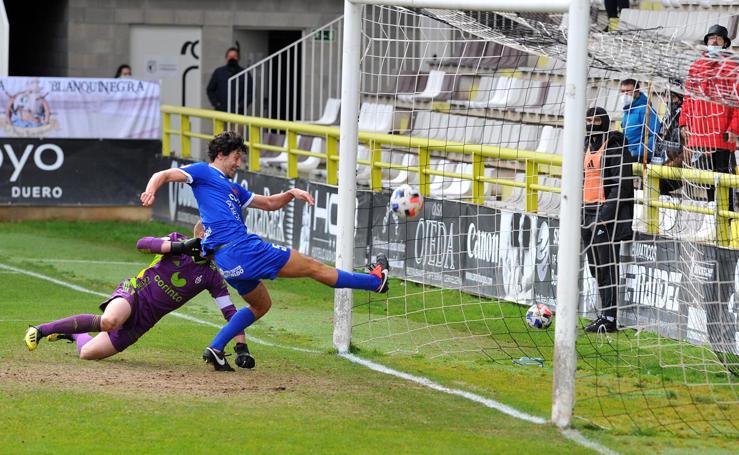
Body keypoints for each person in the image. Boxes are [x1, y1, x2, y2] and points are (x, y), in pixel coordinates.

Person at [140, 131, 390, 371]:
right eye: (236, 157)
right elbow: (163, 174)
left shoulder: (233, 189)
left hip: (228, 262)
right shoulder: (203, 172)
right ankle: (375, 281)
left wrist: (291, 193)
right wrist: (152, 189)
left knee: (261, 305)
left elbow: (269, 203)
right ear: (220, 154)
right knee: (314, 267)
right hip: (243, 249)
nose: (239, 163)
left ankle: (216, 348)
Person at [23, 225, 256, 370]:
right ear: (203, 236)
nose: (225, 247)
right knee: (109, 321)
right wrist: (178, 246)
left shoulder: (212, 276)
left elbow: (230, 313)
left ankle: (74, 333)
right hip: (134, 293)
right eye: (222, 241)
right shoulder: (176, 240)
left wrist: (241, 348)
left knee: (87, 353)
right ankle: (40, 330)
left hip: (145, 321)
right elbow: (142, 244)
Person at [582, 107, 634, 333]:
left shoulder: (615, 148)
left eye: (594, 121)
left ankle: (610, 317)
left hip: (604, 215)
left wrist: (604, 216)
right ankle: (604, 313)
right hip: (586, 211)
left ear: (602, 122)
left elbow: (622, 186)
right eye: (587, 120)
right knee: (595, 267)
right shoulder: (584, 146)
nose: (590, 124)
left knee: (607, 267)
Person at [680, 24, 739, 205]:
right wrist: (684, 123)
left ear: (724, 43)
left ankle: (726, 220)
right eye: (711, 38)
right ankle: (712, 217)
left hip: (722, 135)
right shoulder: (696, 66)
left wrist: (734, 128)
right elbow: (688, 98)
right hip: (700, 133)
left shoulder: (732, 67)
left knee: (723, 179)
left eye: (718, 39)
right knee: (707, 179)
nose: (714, 41)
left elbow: (737, 101)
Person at [620, 78, 661, 164]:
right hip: (627, 155)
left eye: (628, 91)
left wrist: (638, 153)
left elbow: (654, 135)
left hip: (641, 158)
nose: (625, 94)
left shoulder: (645, 110)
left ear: (637, 92)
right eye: (623, 91)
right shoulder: (627, 111)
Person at [206, 47, 253, 114]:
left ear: (238, 58)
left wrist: (240, 106)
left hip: (238, 114)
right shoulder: (218, 72)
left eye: (234, 56)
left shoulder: (245, 73)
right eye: (230, 56)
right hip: (220, 113)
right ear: (226, 58)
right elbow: (210, 90)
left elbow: (250, 93)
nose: (232, 58)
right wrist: (217, 104)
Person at [657, 87, 685, 195]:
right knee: (650, 177)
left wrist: (668, 166)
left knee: (659, 181)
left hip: (683, 167)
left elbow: (688, 152)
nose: (667, 100)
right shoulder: (668, 117)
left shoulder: (684, 118)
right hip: (668, 164)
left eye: (672, 97)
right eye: (666, 96)